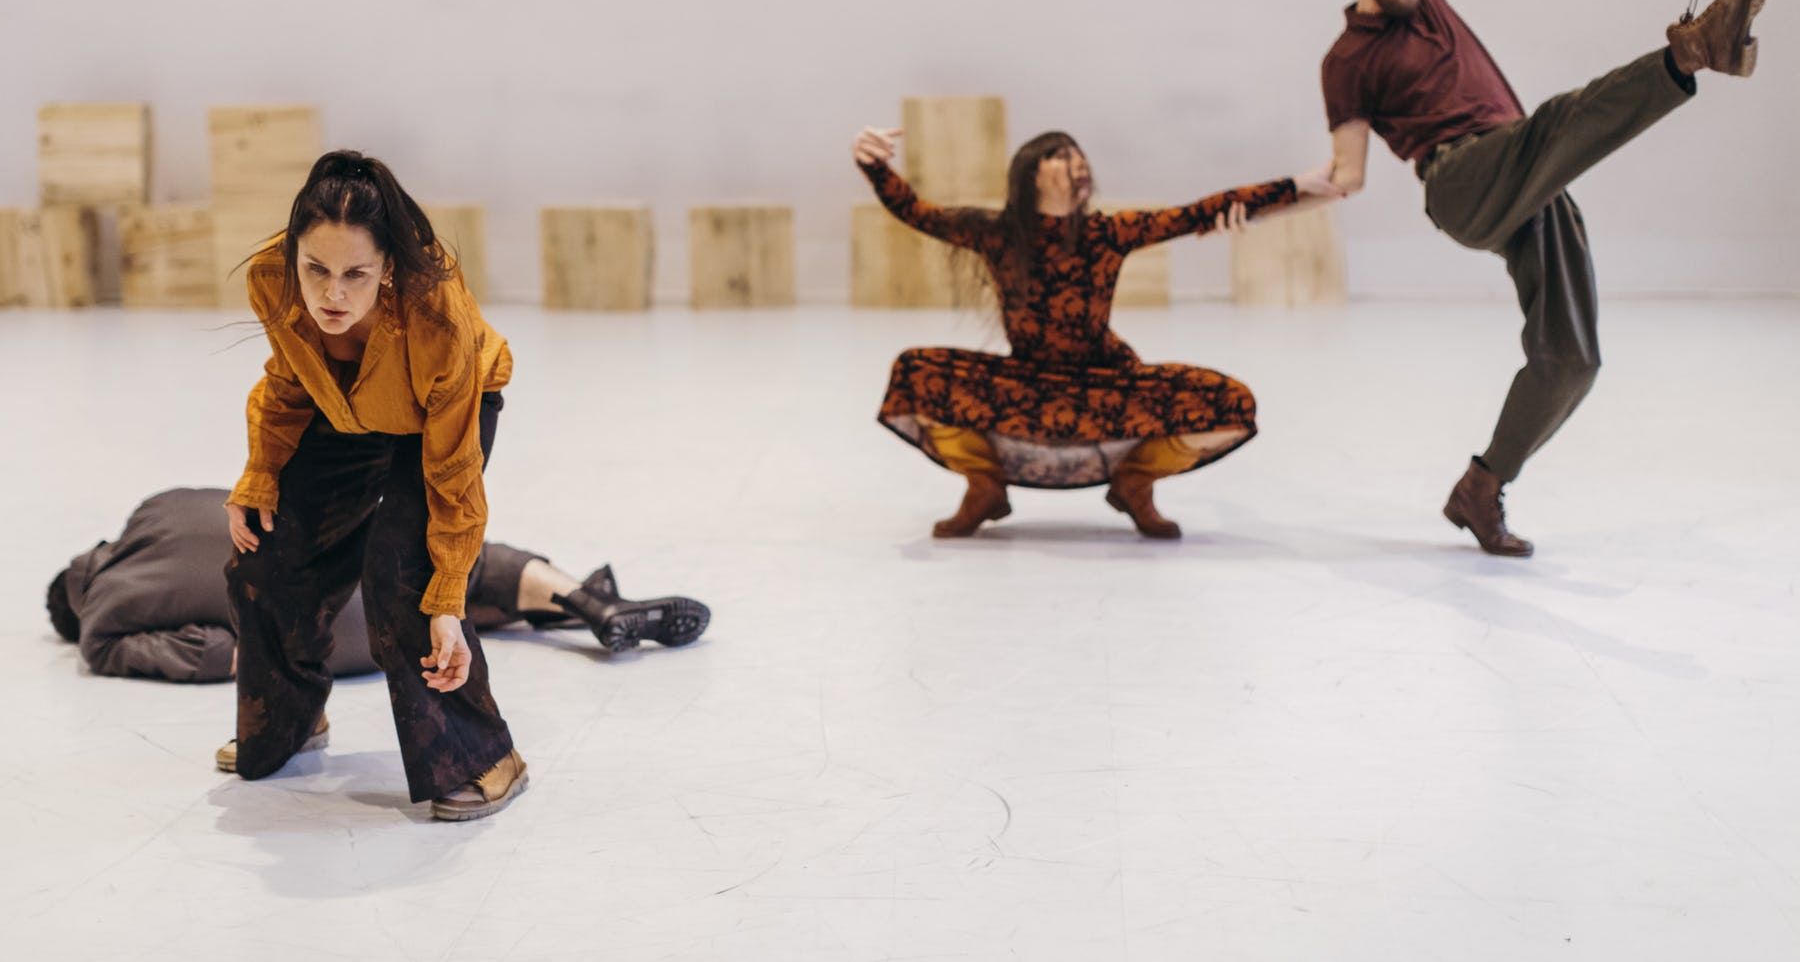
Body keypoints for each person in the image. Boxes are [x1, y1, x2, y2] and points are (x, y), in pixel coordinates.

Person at [1317, 0, 1776, 556]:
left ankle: (1481, 488)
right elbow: (1345, 173)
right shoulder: (1347, 61)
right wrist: (1259, 201)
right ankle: (1695, 50)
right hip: (1462, 182)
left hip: (1525, 174)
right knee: (1559, 122)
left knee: (1572, 358)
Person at [223, 150, 531, 821]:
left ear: (387, 267)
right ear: (294, 252)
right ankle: (290, 718)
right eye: (316, 269)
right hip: (344, 410)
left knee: (402, 574)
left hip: (442, 416)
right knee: (264, 558)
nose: (331, 294)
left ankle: (483, 754)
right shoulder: (272, 278)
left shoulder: (435, 314)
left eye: (355, 275)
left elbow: (452, 474)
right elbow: (289, 380)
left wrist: (447, 597)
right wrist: (261, 474)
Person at [852, 125, 1341, 539]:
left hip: (1103, 386)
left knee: (1230, 401)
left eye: (1079, 155)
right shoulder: (998, 233)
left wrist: (1297, 185)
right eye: (1061, 156)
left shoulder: (1108, 233)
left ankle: (1135, 481)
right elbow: (915, 211)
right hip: (1026, 385)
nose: (1078, 163)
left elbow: (1195, 213)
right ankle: (984, 486)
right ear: (1030, 173)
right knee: (914, 370)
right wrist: (873, 164)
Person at [44, 487, 710, 684]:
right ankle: (587, 599)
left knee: (411, 624)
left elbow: (217, 653)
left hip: (333, 634)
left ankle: (558, 611)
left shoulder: (100, 633)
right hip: (349, 547)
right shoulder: (156, 506)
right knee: (464, 567)